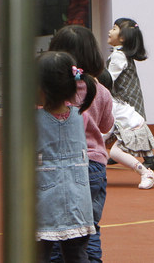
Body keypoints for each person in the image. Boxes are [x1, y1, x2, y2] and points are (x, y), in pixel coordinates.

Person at [48, 25, 114, 263]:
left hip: (58, 166)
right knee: (89, 226)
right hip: (93, 165)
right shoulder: (101, 91)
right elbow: (106, 126)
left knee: (56, 228)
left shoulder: (50, 93)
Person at [36, 51, 96, 263]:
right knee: (77, 255)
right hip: (78, 201)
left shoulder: (33, 119)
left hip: (43, 201)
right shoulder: (82, 115)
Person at [106, 17, 154, 171]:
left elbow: (109, 78)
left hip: (126, 99)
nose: (110, 31)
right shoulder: (121, 54)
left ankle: (149, 157)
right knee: (128, 126)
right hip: (130, 97)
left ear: (122, 37)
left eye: (114, 28)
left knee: (131, 126)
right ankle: (139, 155)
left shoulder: (118, 56)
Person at [97, 69, 154, 189]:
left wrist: (97, 140)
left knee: (115, 152)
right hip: (127, 128)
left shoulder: (110, 102)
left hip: (134, 128)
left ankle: (146, 173)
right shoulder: (107, 99)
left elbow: (108, 127)